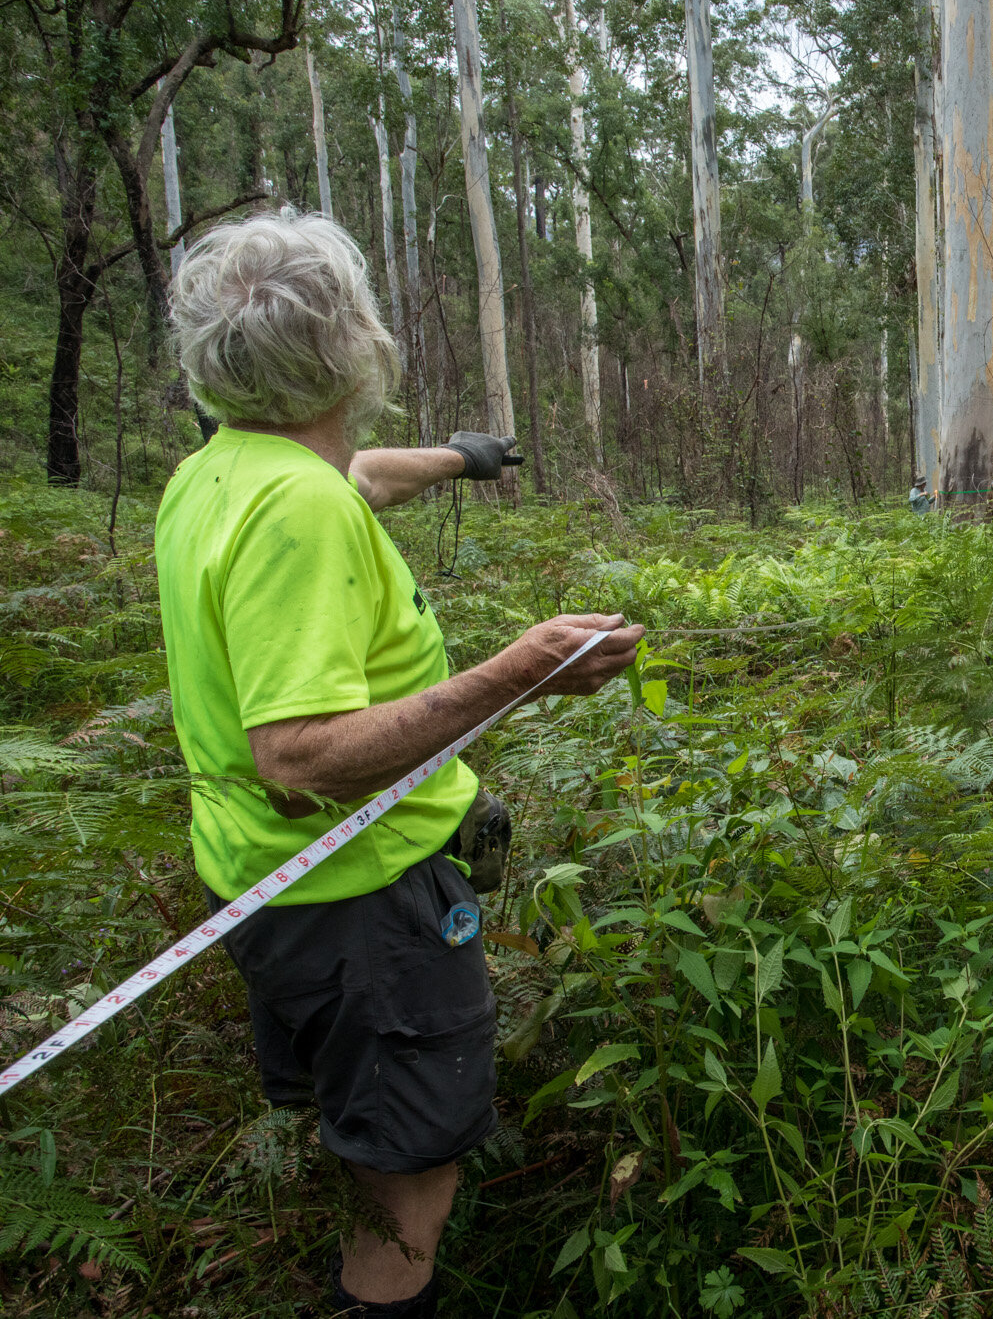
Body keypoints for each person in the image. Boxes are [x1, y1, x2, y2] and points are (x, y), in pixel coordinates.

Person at [156, 211, 645, 1318]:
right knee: (412, 1177)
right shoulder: (299, 514)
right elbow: (298, 755)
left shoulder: (221, 470)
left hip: (269, 885)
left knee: (368, 1132)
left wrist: (461, 460)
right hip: (360, 903)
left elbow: (352, 475)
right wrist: (512, 673)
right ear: (353, 348)